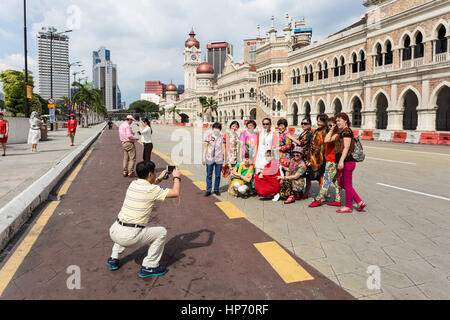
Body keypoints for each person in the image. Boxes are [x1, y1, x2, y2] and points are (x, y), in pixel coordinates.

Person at [107, 161, 181, 278]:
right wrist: (177, 177)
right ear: (150, 174)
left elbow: (150, 187)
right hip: (129, 237)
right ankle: (149, 266)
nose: (156, 175)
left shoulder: (133, 184)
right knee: (161, 232)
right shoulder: (152, 190)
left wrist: (160, 178)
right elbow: (175, 193)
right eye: (155, 173)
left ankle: (113, 258)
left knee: (126, 225)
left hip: (114, 231)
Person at [334, 112, 367, 213]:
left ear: (345, 120)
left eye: (339, 121)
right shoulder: (343, 131)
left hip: (347, 162)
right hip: (345, 162)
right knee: (342, 182)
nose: (337, 123)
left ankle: (348, 206)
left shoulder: (347, 132)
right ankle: (359, 202)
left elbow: (347, 147)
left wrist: (341, 161)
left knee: (347, 184)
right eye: (336, 121)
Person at [309, 117, 342, 208]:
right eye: (328, 125)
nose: (329, 127)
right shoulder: (331, 133)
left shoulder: (336, 134)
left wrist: (331, 130)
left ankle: (319, 199)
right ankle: (338, 200)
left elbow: (326, 140)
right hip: (330, 160)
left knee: (326, 181)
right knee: (336, 182)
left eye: (331, 125)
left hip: (332, 161)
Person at [289, 118, 313, 199]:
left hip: (307, 157)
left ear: (309, 125)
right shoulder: (303, 132)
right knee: (300, 174)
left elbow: (301, 143)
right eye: (302, 123)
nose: (303, 125)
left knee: (307, 176)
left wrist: (291, 137)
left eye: (305, 123)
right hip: (301, 155)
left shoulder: (309, 133)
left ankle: (306, 193)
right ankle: (300, 191)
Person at [306, 114, 328, 198]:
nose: (318, 122)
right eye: (318, 120)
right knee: (319, 176)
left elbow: (320, 146)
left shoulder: (325, 131)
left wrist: (313, 159)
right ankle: (323, 193)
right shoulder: (317, 130)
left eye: (320, 121)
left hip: (322, 156)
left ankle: (323, 194)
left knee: (321, 175)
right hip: (315, 156)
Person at [202, 122, 225, 197]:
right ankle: (208, 190)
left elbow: (224, 149)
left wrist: (224, 159)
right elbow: (205, 147)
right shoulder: (208, 136)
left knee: (218, 175)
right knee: (209, 175)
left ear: (220, 129)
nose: (216, 130)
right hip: (209, 158)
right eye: (215, 128)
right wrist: (203, 158)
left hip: (219, 159)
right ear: (213, 129)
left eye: (218, 128)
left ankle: (216, 189)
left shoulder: (222, 137)